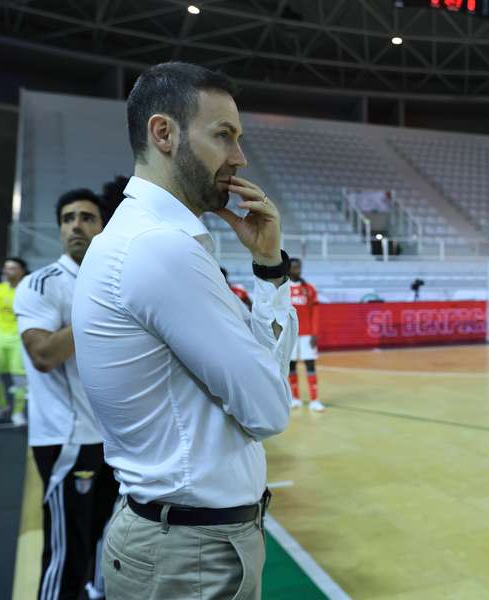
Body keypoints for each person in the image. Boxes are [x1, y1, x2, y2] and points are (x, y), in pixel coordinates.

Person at [71, 61, 297, 600]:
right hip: (188, 555)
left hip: (177, 542)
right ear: (163, 133)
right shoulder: (159, 249)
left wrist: (269, 267)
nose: (239, 157)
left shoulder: (143, 238)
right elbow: (269, 410)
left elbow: (263, 390)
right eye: (224, 135)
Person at [13, 189, 119, 600]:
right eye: (68, 218)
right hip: (68, 439)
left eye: (87, 217)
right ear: (59, 228)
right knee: (67, 554)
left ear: (102, 227)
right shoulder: (41, 284)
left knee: (105, 543)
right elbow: (43, 355)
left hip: (115, 439)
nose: (76, 225)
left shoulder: (114, 281)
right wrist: (98, 311)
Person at [287, 258, 324, 412]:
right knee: (291, 365)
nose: (298, 270)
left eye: (299, 267)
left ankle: (315, 400)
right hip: (289, 334)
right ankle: (295, 398)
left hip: (307, 333)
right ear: (288, 269)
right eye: (294, 267)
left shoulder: (309, 288)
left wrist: (315, 333)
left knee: (310, 364)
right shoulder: (282, 289)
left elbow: (315, 312)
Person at [0, 256, 28, 424]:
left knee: (19, 378)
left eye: (11, 268)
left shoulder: (27, 290)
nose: (6, 271)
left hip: (18, 339)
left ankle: (18, 412)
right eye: (5, 268)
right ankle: (2, 407)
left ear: (21, 271)